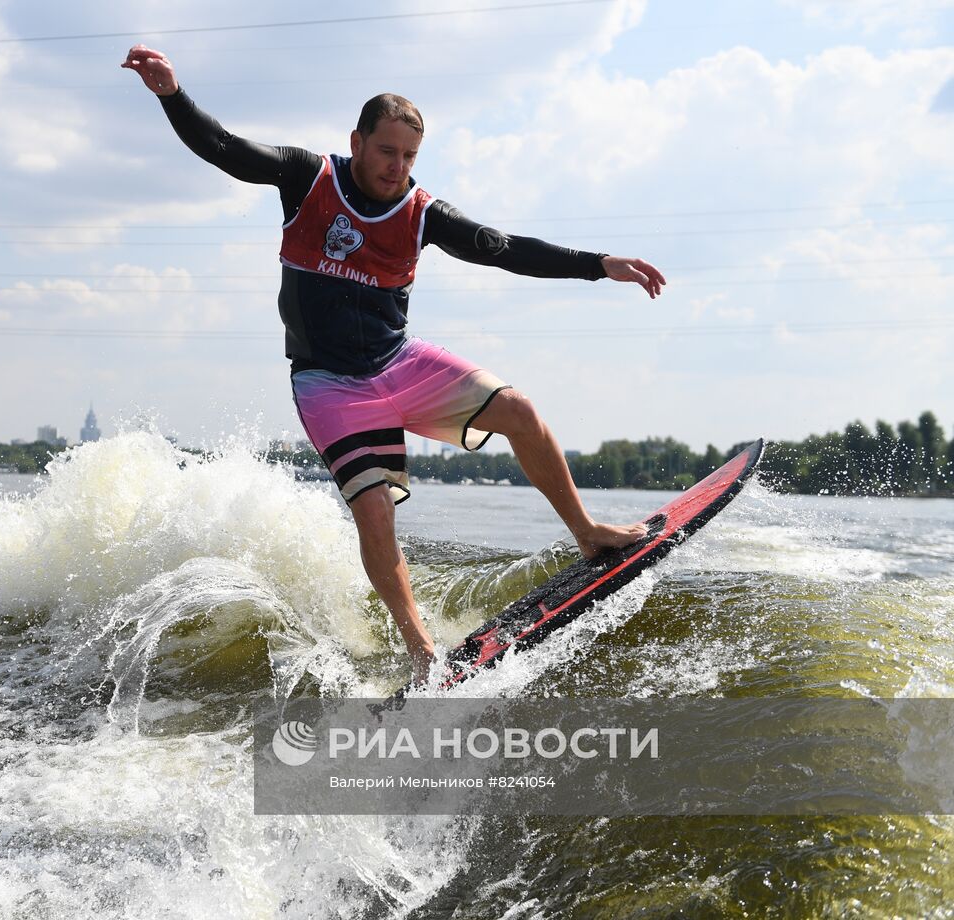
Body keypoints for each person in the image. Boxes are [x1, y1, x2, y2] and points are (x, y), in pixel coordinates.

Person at [122, 45, 667, 685]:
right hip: (328, 383)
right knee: (373, 506)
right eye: (387, 152)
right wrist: (172, 95)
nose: (398, 167)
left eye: (410, 157)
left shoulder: (421, 212)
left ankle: (588, 531)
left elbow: (504, 249)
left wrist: (596, 262)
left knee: (518, 410)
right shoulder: (308, 178)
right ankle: (420, 646)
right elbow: (223, 147)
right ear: (357, 141)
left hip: (398, 362)